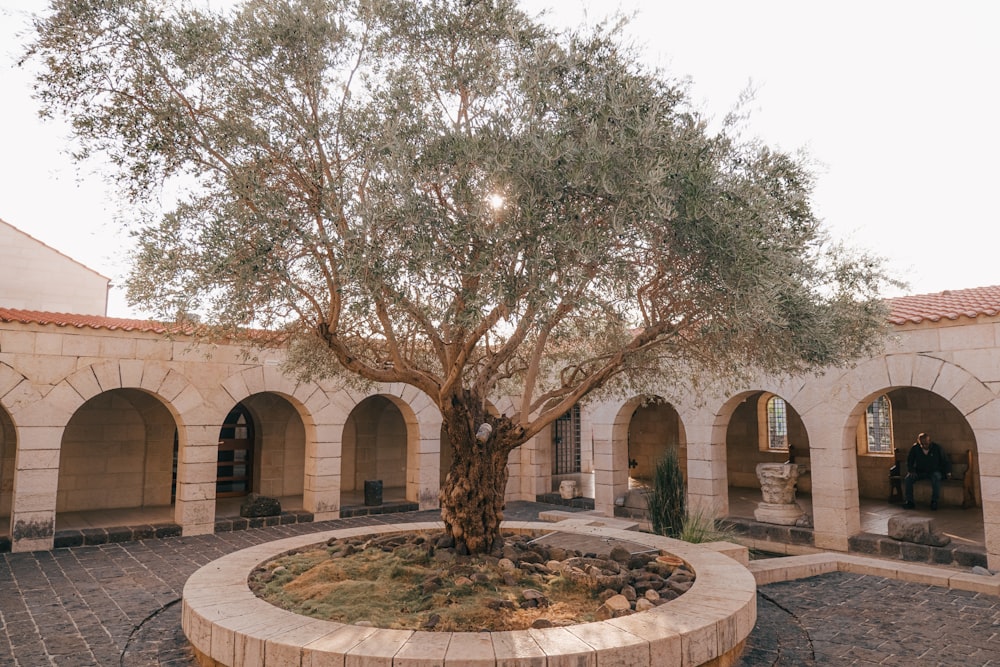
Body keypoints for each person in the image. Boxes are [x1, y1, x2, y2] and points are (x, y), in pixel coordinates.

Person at [903, 433, 951, 510]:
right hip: (920, 471)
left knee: (936, 477)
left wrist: (948, 472)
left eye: (926, 443)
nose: (925, 445)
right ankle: (909, 501)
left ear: (930, 441)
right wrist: (911, 470)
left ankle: (934, 501)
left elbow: (945, 460)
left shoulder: (937, 448)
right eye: (922, 444)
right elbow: (910, 460)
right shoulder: (915, 448)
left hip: (934, 471)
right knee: (908, 479)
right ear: (919, 442)